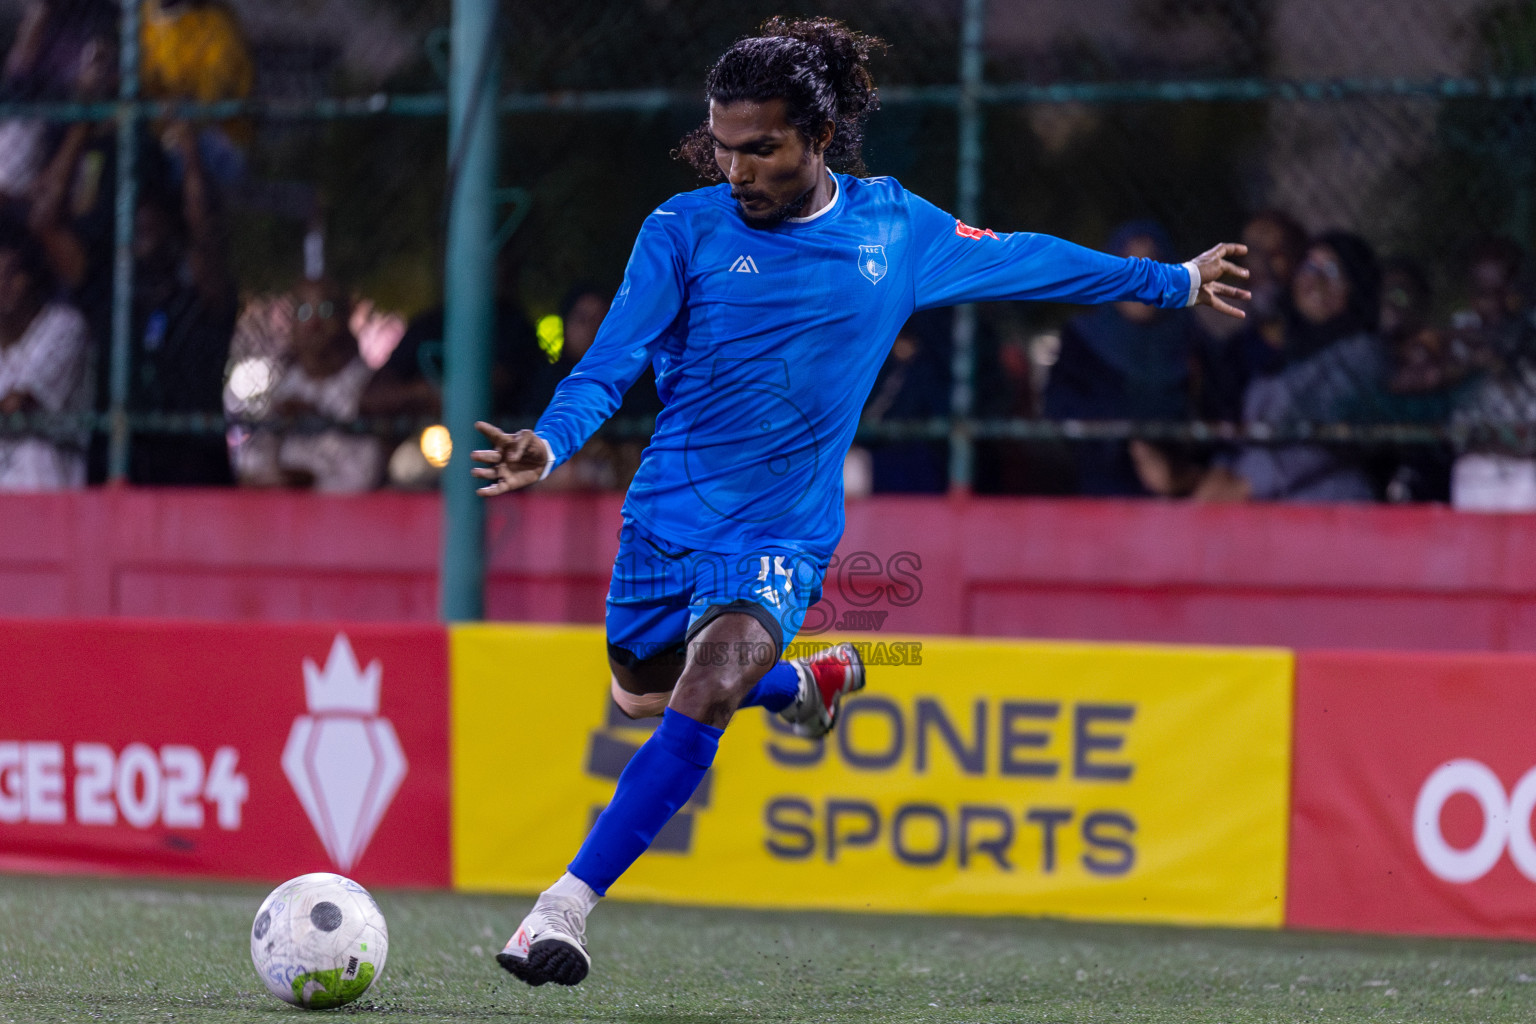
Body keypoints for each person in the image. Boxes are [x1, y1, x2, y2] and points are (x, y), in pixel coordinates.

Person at [468, 17, 1249, 989]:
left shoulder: (894, 229)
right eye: (723, 147)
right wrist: (549, 440)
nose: (738, 170)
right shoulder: (681, 231)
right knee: (640, 696)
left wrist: (1170, 282)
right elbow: (611, 359)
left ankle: (561, 910)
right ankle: (804, 684)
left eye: (763, 148)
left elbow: (1028, 257)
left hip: (782, 532)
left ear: (819, 138)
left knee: (706, 687)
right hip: (666, 520)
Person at [1042, 220, 1211, 496]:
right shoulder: (1083, 340)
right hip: (1099, 491)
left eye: (1153, 266)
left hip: (1182, 493)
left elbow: (1217, 415)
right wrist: (1126, 436)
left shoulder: (1191, 339)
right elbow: (1058, 410)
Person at [0, 218, 90, 488]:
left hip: (50, 499)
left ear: (32, 277)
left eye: (12, 275)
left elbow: (17, 406)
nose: (3, 287)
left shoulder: (64, 326)